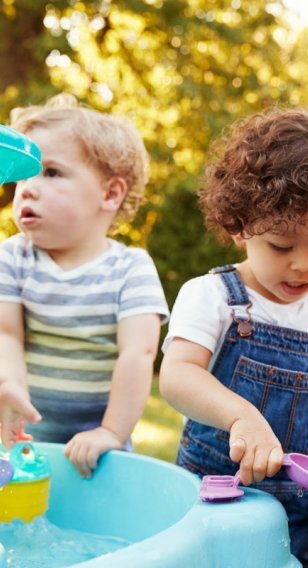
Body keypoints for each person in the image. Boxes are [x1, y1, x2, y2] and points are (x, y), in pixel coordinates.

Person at [159, 107, 308, 567]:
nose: (304, 265)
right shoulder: (213, 296)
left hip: (303, 507)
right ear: (241, 226)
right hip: (219, 497)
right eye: (281, 245)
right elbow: (178, 376)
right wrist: (241, 417)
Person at [0, 94, 169, 478]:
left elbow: (138, 353)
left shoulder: (131, 268)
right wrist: (8, 385)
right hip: (22, 438)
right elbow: (6, 334)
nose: (27, 188)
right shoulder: (13, 257)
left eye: (52, 172)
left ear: (110, 194)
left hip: (98, 449)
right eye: (24, 175)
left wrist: (111, 431)